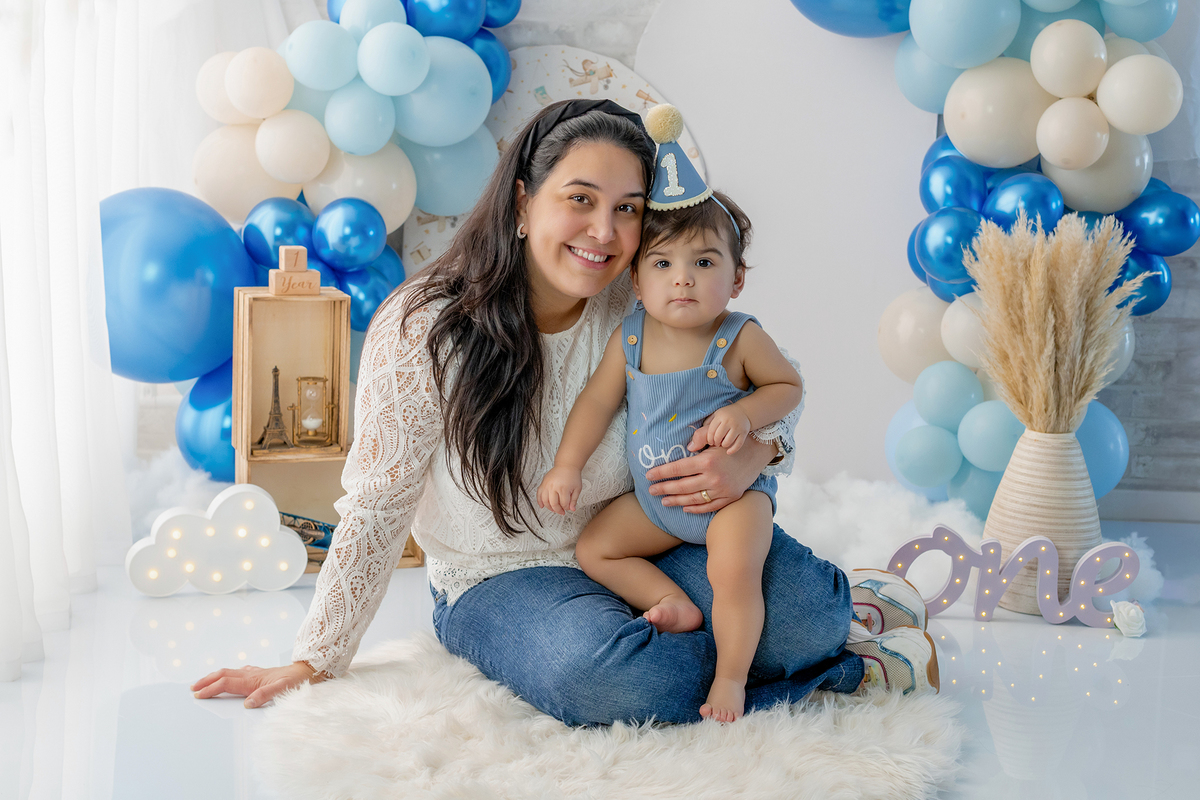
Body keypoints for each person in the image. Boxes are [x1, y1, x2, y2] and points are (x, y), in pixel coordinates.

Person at [192, 99, 938, 725]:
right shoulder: (426, 327)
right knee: (608, 678)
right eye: (580, 199)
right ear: (523, 202)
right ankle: (834, 670)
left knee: (806, 614)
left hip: (639, 541)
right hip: (497, 580)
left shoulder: (639, 300)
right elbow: (377, 502)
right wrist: (315, 658)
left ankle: (823, 626)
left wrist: (758, 450)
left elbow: (762, 376)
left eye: (627, 210)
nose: (603, 233)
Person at [537, 105, 805, 722]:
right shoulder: (630, 336)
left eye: (704, 263)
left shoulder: (738, 337)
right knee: (596, 548)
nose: (682, 280)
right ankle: (672, 602)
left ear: (737, 279)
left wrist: (748, 414)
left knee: (735, 574)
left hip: (733, 501)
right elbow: (596, 402)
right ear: (636, 280)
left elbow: (788, 387)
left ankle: (731, 678)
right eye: (663, 264)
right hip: (657, 501)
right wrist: (567, 466)